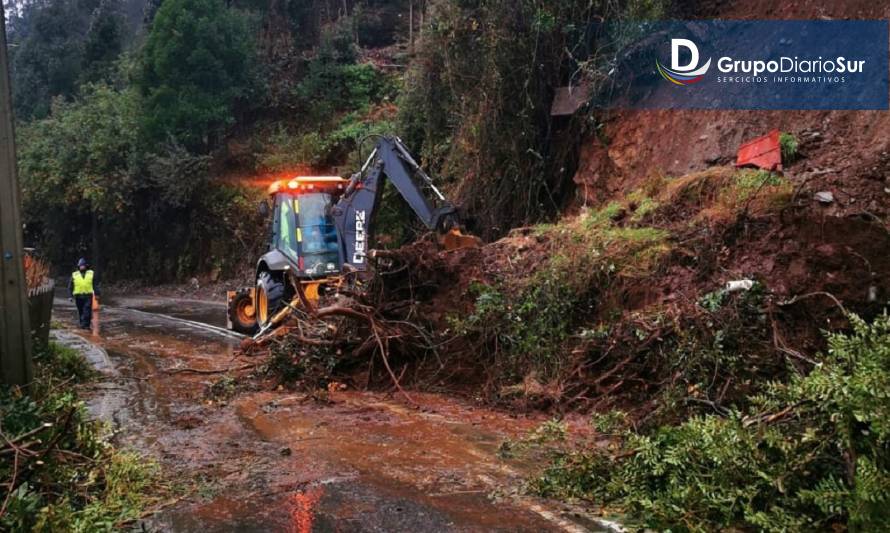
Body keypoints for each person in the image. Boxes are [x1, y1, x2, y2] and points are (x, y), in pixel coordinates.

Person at [68, 258, 99, 330]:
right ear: (78, 266)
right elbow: (70, 287)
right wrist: (70, 296)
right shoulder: (74, 275)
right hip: (78, 296)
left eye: (83, 265)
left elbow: (95, 285)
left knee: (87, 310)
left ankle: (86, 325)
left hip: (88, 296)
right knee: (81, 311)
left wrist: (97, 294)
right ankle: (83, 324)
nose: (82, 267)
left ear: (86, 266)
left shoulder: (91, 273)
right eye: (81, 266)